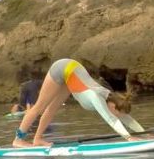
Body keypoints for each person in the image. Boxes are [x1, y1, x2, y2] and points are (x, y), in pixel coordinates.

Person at [12, 58, 143, 147]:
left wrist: (145, 133)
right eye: (117, 113)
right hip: (61, 68)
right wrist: (129, 137)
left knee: (52, 109)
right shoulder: (96, 97)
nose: (117, 116)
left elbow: (125, 117)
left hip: (73, 73)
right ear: (114, 106)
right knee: (39, 107)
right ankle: (18, 140)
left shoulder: (113, 100)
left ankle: (37, 139)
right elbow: (111, 119)